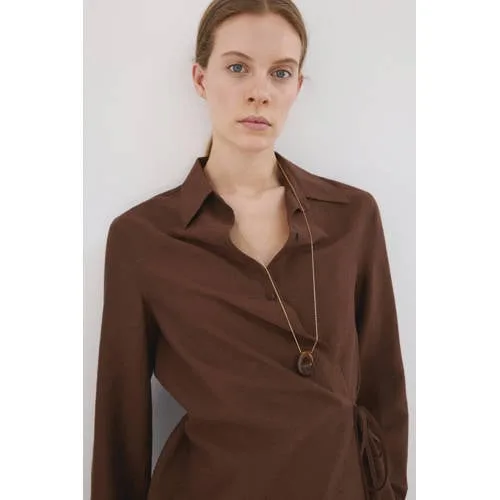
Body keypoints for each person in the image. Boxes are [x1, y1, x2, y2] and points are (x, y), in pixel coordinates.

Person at [90, 0, 409, 499]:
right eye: (238, 68)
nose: (260, 92)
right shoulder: (143, 238)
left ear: (297, 87)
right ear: (200, 79)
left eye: (280, 73)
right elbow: (120, 426)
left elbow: (384, 391)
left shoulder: (352, 218)